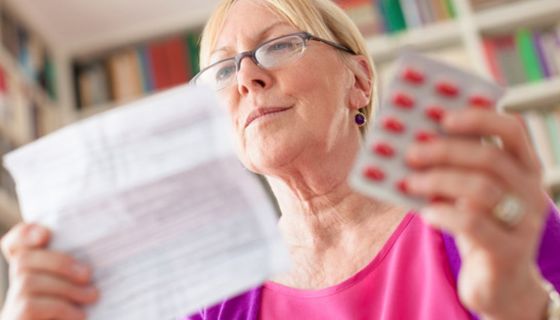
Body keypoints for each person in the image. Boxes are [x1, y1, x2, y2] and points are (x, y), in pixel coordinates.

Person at [1, 0, 560, 319]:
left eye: (279, 44)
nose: (247, 76)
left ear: (358, 82)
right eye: (222, 71)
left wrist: (524, 309)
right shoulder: (214, 296)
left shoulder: (485, 223)